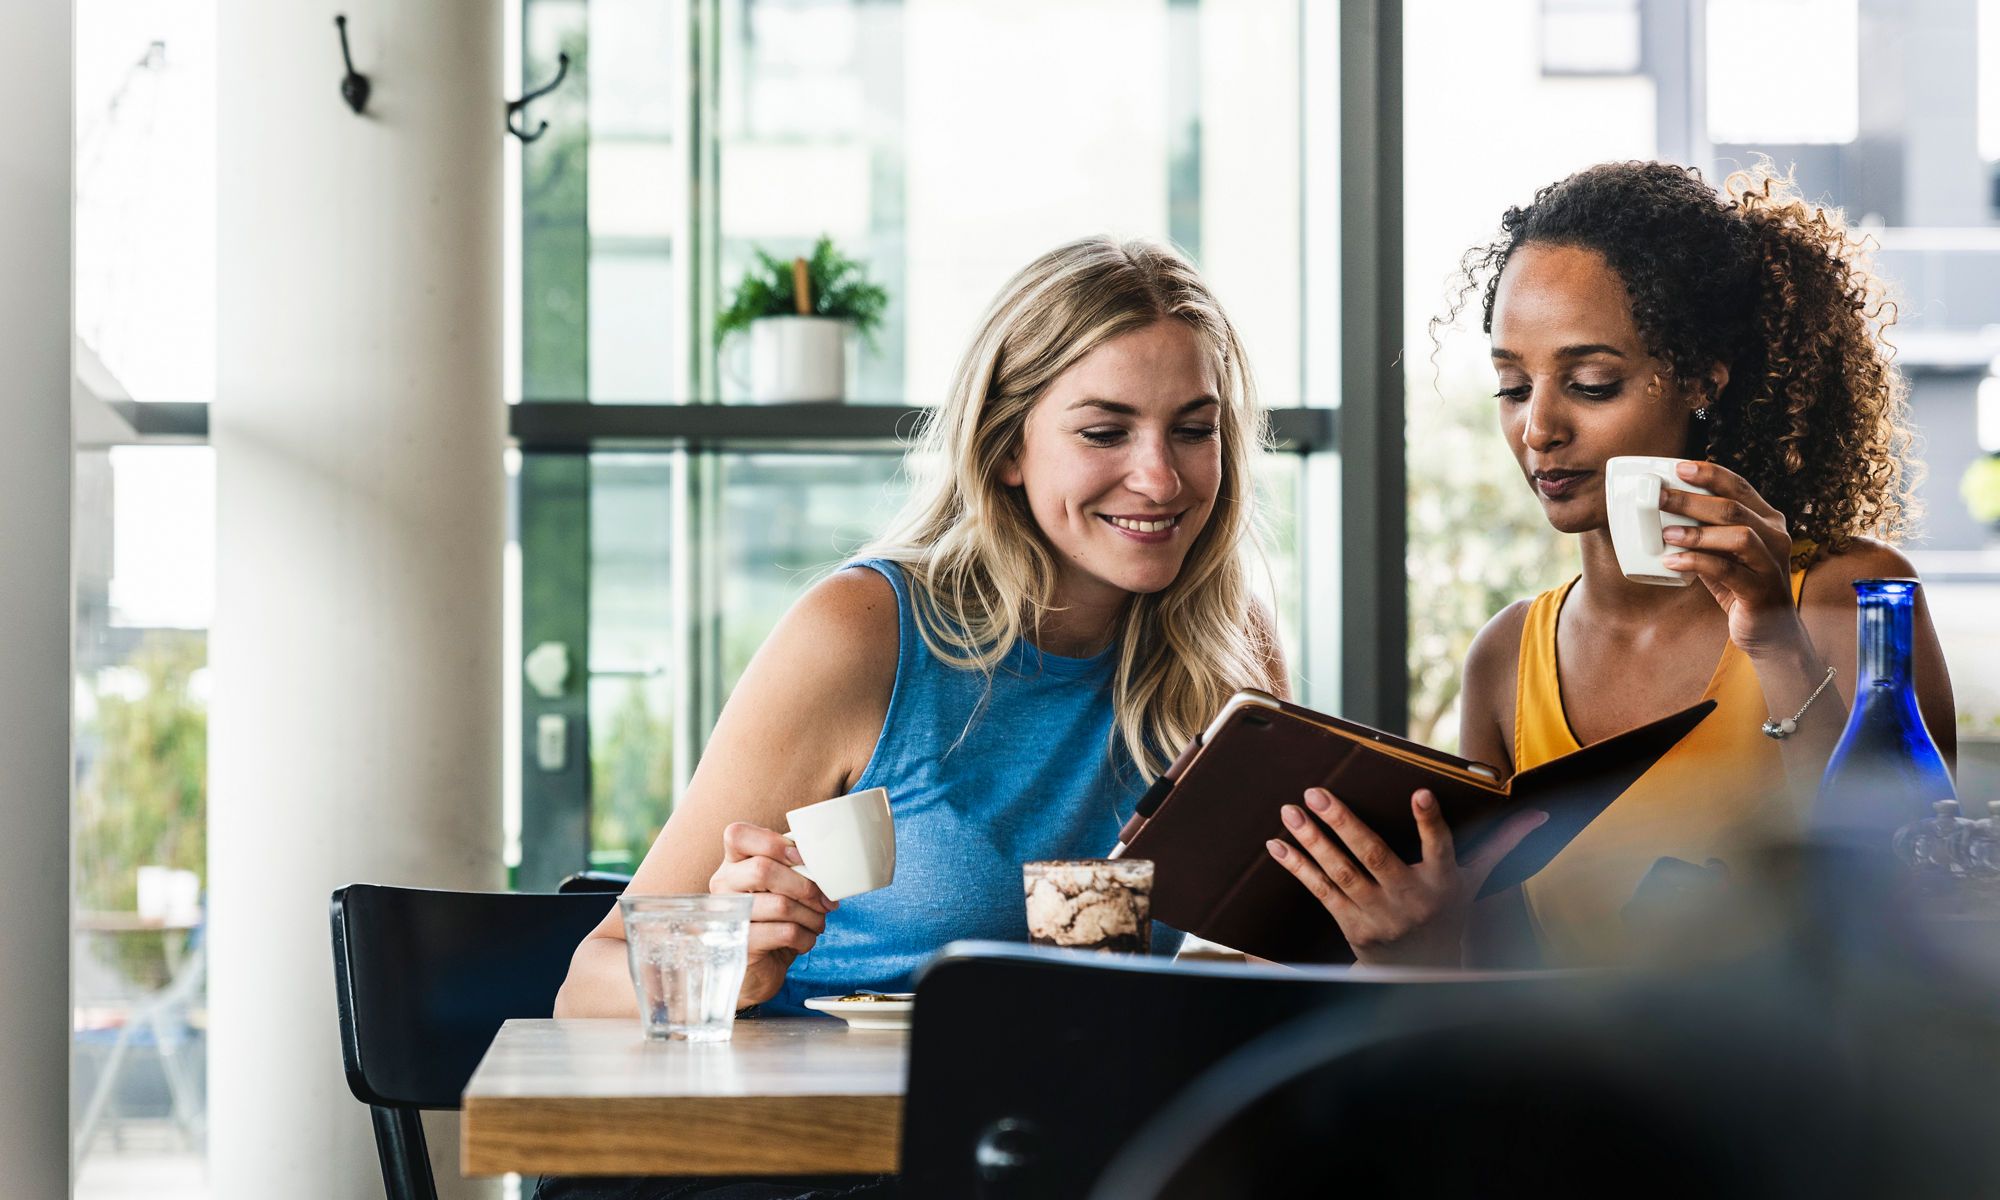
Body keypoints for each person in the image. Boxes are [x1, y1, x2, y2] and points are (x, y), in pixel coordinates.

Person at [554, 234, 1282, 1009]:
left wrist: (1376, 935)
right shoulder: (864, 631)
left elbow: (1279, 964)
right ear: (1008, 447)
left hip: (1075, 1118)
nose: (1160, 477)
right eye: (1105, 432)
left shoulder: (1226, 648)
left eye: (1194, 430)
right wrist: (729, 966)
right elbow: (587, 984)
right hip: (832, 1120)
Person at [1267, 161, 1956, 967]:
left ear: (1703, 378)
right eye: (1513, 386)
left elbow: (1909, 920)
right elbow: (1483, 996)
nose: (1539, 428)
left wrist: (1773, 639)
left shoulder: (1853, 599)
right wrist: (1410, 945)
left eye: (1592, 383)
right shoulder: (1506, 658)